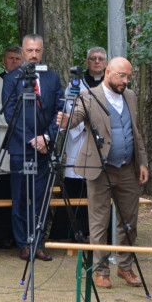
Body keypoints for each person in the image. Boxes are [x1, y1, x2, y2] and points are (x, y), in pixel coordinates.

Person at [66, 56, 148, 289]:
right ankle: (101, 270)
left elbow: (136, 132)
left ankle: (125, 266)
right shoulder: (89, 96)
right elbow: (76, 118)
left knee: (129, 222)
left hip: (127, 168)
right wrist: (65, 121)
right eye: (121, 75)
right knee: (99, 222)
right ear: (108, 72)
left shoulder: (130, 97)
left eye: (129, 76)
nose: (125, 80)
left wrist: (142, 162)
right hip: (99, 169)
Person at [2, 34, 63, 262]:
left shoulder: (53, 78)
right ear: (23, 51)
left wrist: (46, 138)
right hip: (20, 147)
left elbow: (59, 110)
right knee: (20, 198)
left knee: (41, 198)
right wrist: (31, 139)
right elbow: (11, 114)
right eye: (30, 50)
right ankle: (23, 244)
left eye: (38, 50)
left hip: (45, 149)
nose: (34, 55)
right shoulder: (12, 79)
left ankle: (38, 243)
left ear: (43, 50)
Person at [53, 47, 107, 241]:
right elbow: (69, 109)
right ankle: (71, 231)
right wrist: (84, 125)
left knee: (99, 186)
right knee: (76, 184)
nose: (97, 62)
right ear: (87, 62)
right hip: (80, 139)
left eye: (101, 59)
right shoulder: (75, 85)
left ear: (106, 63)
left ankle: (100, 233)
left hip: (101, 141)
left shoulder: (109, 86)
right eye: (93, 58)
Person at [0, 46, 22, 249]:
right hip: (0, 140)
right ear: (4, 60)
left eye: (18, 58)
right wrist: (16, 118)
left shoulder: (28, 83)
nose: (15, 62)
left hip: (20, 142)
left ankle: (15, 233)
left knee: (16, 191)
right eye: (11, 58)